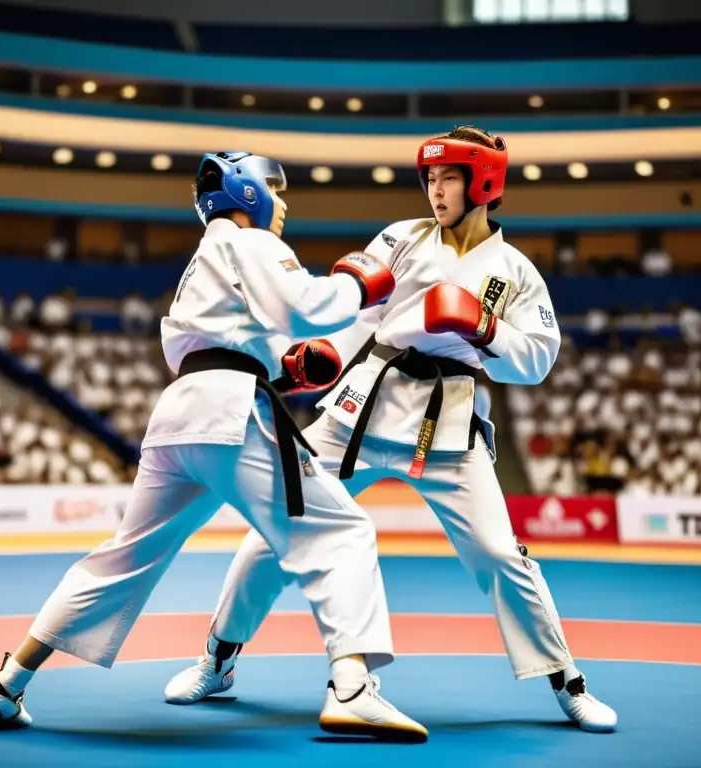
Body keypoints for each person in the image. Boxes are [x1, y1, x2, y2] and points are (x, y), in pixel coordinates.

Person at [164, 128, 619, 733]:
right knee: (274, 532)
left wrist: (485, 328)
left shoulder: (515, 272)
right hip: (364, 407)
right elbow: (361, 314)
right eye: (429, 178)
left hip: (449, 421)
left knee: (499, 553)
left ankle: (567, 680)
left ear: (482, 184)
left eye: (448, 177)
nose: (434, 189)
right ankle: (218, 657)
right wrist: (316, 355)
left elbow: (536, 361)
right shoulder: (401, 238)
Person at [0, 151, 428, 742]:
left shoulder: (201, 259)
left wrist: (283, 374)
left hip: (180, 416)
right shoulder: (249, 241)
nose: (283, 205)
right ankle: (352, 691)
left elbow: (222, 345)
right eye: (275, 192)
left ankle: (4, 684)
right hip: (229, 413)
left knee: (122, 558)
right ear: (249, 193)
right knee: (340, 530)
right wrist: (356, 283)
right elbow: (306, 306)